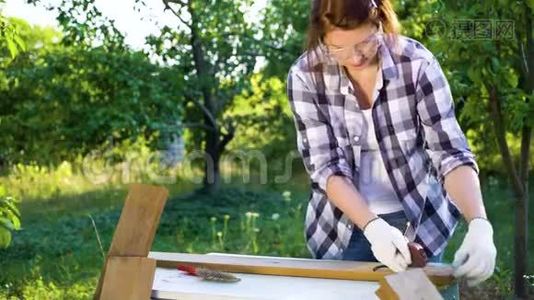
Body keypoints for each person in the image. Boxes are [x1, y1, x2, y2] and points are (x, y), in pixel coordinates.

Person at [286, 0, 497, 287]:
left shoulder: (417, 64)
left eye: (364, 42)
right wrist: (373, 227)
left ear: (380, 24)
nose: (355, 57)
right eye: (339, 48)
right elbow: (326, 167)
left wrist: (479, 224)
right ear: (320, 37)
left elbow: (449, 152)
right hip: (341, 229)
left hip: (420, 224)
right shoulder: (305, 76)